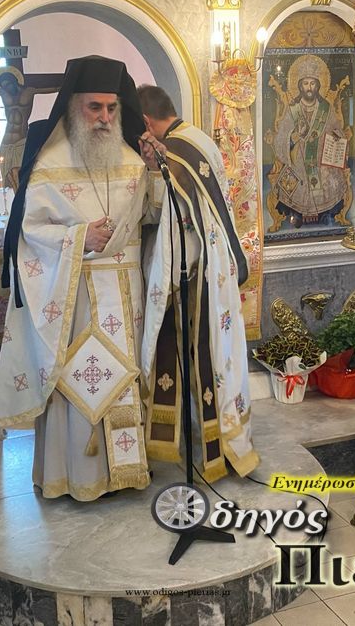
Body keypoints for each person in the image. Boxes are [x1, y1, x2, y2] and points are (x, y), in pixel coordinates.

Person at [0, 56, 165, 501]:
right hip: (74, 293)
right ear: (74, 106)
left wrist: (156, 171)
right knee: (78, 377)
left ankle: (126, 471)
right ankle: (76, 476)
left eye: (111, 108)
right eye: (94, 107)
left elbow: (152, 217)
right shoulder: (50, 164)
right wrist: (80, 237)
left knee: (123, 374)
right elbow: (29, 232)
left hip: (125, 292)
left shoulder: (132, 161)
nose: (104, 117)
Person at [137, 84, 260, 481]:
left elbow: (167, 214)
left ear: (146, 122)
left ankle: (213, 449)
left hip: (194, 269)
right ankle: (215, 439)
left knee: (202, 356)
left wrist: (152, 172)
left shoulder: (174, 151)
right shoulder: (198, 137)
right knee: (211, 355)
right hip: (214, 263)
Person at [268, 54, 351, 231]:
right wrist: (294, 136)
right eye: (305, 83)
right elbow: (281, 138)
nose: (309, 87)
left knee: (329, 184)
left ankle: (326, 215)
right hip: (298, 160)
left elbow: (337, 131)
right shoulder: (292, 110)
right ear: (300, 86)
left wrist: (336, 136)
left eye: (312, 83)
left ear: (318, 85)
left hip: (321, 161)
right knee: (296, 186)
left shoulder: (326, 109)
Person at [0, 66, 59, 190]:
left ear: (14, 81)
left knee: (21, 176)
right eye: (4, 86)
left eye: (8, 85)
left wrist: (63, 86)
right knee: (8, 179)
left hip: (21, 141)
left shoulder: (29, 91)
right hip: (6, 142)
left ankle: (21, 199)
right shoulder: (3, 93)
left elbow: (50, 88)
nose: (7, 88)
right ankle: (12, 200)